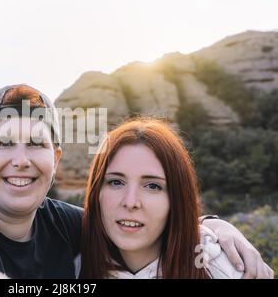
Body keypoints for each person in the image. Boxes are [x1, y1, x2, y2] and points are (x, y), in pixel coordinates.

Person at [0, 84, 272, 279]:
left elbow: (140, 223)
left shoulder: (69, 225)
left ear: (56, 158)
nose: (21, 160)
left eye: (36, 143)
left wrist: (210, 226)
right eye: (5, 143)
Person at [80, 117, 274, 279]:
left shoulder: (218, 266)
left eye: (152, 186)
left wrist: (209, 228)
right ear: (97, 192)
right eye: (116, 182)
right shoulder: (70, 261)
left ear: (176, 198)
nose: (130, 202)